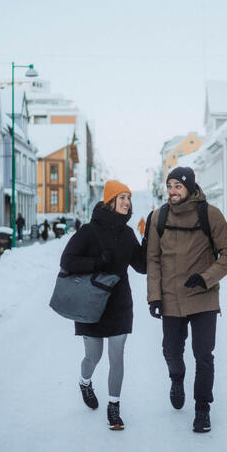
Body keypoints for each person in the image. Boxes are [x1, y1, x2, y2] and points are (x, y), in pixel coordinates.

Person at [146, 167, 227, 433]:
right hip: (171, 298)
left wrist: (206, 277)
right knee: (171, 351)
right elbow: (152, 259)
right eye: (170, 186)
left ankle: (202, 409)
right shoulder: (158, 217)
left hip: (203, 297)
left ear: (189, 187)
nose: (173, 191)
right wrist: (154, 296)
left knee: (203, 355)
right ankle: (177, 378)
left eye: (178, 186)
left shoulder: (210, 215)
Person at [60, 180, 146, 430]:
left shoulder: (128, 234)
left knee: (116, 357)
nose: (127, 202)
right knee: (93, 356)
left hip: (119, 302)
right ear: (109, 201)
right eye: (122, 198)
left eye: (129, 198)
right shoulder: (89, 231)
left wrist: (149, 240)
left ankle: (114, 409)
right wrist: (97, 262)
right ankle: (85, 381)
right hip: (92, 303)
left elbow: (141, 266)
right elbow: (67, 261)